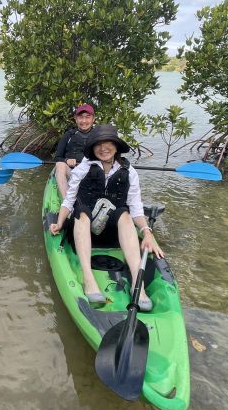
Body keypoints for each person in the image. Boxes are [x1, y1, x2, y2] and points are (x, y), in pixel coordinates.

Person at [48, 124, 164, 311]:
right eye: (98, 144)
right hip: (83, 230)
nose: (103, 148)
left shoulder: (129, 172)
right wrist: (59, 222)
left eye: (108, 143)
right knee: (81, 210)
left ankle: (138, 284)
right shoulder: (83, 168)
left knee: (124, 213)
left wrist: (147, 232)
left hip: (113, 233)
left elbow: (136, 207)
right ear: (93, 148)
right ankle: (88, 278)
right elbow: (69, 200)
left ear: (116, 146)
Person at [53, 104, 96, 198]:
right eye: (80, 117)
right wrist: (66, 161)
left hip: (93, 174)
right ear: (75, 119)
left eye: (88, 117)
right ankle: (67, 202)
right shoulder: (68, 135)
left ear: (93, 119)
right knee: (59, 165)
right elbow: (57, 158)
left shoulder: (99, 136)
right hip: (72, 173)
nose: (84, 121)